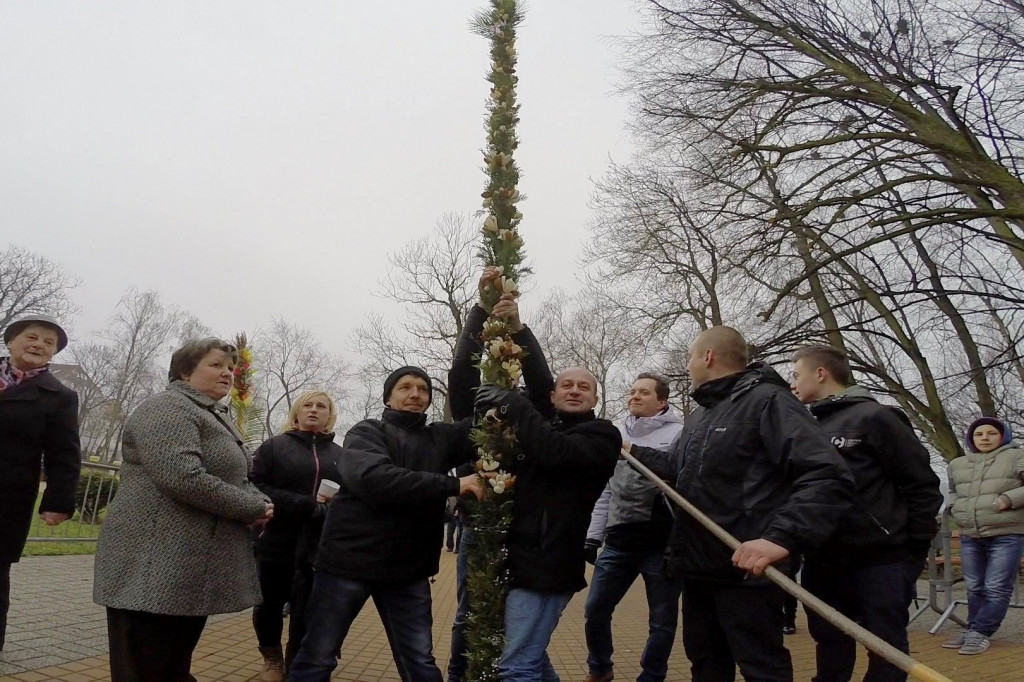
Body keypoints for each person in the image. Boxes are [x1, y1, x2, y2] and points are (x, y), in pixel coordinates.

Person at [627, 326, 854, 682]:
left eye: (690, 357)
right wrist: (629, 451)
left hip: (747, 570)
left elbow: (827, 474)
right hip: (698, 567)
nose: (688, 366)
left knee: (761, 667)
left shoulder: (769, 402)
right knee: (706, 664)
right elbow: (677, 471)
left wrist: (781, 538)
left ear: (708, 357)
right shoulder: (701, 416)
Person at [287, 366, 487, 682]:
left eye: (423, 389)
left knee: (420, 662)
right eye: (405, 387)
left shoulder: (440, 438)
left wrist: (499, 355)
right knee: (317, 656)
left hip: (408, 571)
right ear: (389, 398)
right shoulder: (366, 432)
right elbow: (374, 479)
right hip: (347, 564)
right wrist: (453, 485)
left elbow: (482, 421)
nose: (415, 393)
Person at [93, 338, 274, 682]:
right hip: (149, 565)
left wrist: (260, 502)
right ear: (185, 370)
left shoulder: (210, 415)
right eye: (216, 364)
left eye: (231, 368)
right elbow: (184, 477)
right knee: (146, 668)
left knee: (171, 666)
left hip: (185, 570)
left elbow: (237, 475)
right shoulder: (167, 408)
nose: (227, 373)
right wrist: (252, 505)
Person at [790, 345, 942, 681]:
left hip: (879, 557)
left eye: (796, 374)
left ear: (820, 373)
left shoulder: (877, 417)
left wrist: (911, 549)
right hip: (823, 556)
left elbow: (921, 485)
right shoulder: (806, 426)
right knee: (828, 638)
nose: (793, 383)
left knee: (885, 643)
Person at [474, 367, 621, 681]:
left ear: (595, 398)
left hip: (548, 566)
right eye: (566, 385)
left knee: (517, 667)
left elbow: (556, 451)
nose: (574, 390)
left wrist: (514, 402)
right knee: (531, 657)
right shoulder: (540, 429)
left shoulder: (603, 435)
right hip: (515, 560)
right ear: (552, 396)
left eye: (584, 387)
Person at [445, 271, 555, 682]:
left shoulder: (535, 419)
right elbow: (460, 372)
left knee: (520, 618)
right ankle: (460, 674)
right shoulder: (475, 414)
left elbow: (543, 385)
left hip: (526, 529)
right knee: (468, 613)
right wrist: (481, 310)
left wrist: (518, 329)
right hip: (478, 524)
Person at [582, 372, 684, 682]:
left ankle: (652, 675)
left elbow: (682, 479)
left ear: (662, 401)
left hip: (662, 544)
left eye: (644, 393)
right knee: (595, 610)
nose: (635, 396)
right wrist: (592, 537)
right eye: (632, 391)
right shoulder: (615, 433)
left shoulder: (680, 433)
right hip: (618, 542)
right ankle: (600, 668)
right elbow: (606, 490)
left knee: (662, 621)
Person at [250, 390, 345, 681]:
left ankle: (297, 661)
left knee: (308, 607)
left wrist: (331, 510)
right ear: (297, 412)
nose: (314, 410)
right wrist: (304, 504)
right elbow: (256, 485)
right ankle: (271, 658)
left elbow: (350, 496)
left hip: (320, 545)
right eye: (308, 405)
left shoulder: (340, 455)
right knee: (269, 602)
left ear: (330, 415)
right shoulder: (275, 447)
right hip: (277, 539)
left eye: (322, 406)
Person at [0, 315, 80, 652]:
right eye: (31, 337)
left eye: (49, 343)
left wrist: (58, 502)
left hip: (6, 497)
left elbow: (64, 452)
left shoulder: (58, 396)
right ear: (11, 341)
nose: (39, 345)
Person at [944, 416, 1024, 655]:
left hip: (1006, 533)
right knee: (975, 586)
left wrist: (1007, 499)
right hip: (970, 533)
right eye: (979, 434)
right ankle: (973, 629)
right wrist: (957, 508)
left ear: (1003, 436)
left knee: (996, 586)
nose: (985, 438)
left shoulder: (1016, 457)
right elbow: (953, 492)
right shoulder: (957, 464)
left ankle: (981, 632)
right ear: (971, 438)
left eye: (991, 433)